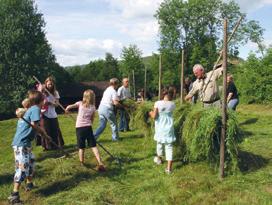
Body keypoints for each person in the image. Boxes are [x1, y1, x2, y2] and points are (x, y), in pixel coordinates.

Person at [8, 90, 47, 205]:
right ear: (41, 100)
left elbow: (36, 126)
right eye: (44, 98)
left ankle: (29, 184)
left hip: (25, 144)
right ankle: (14, 196)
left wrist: (45, 134)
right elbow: (35, 126)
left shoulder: (31, 109)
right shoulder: (35, 109)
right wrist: (43, 134)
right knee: (22, 168)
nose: (45, 100)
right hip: (21, 144)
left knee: (30, 163)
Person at [65, 90, 105, 171]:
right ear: (92, 98)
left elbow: (70, 106)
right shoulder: (93, 107)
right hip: (88, 128)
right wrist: (89, 123)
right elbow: (92, 119)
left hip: (79, 128)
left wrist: (67, 109)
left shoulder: (80, 103)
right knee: (93, 146)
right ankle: (100, 162)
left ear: (84, 97)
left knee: (81, 147)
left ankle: (82, 162)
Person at [149, 89, 176, 174]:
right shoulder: (173, 104)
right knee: (169, 146)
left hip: (160, 127)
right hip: (169, 127)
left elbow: (154, 116)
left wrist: (150, 112)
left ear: (163, 94)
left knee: (159, 143)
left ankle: (159, 160)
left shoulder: (157, 103)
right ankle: (169, 168)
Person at [42, 77, 64, 150]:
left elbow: (57, 104)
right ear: (46, 84)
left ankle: (57, 145)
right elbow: (38, 102)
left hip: (52, 114)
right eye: (48, 84)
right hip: (44, 114)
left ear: (53, 84)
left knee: (55, 129)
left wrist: (50, 103)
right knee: (46, 130)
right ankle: (47, 146)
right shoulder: (43, 92)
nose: (49, 86)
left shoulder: (55, 93)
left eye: (51, 84)